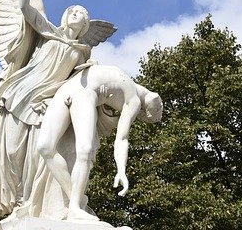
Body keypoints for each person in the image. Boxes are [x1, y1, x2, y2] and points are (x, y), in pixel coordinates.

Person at [0, 0, 116, 217]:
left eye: (84, 16)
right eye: (75, 12)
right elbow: (26, 8)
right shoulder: (47, 31)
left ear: (86, 27)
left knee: (38, 157)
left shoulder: (83, 52)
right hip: (20, 94)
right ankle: (13, 202)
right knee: (12, 153)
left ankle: (28, 205)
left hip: (45, 104)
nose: (80, 16)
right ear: (66, 17)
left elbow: (77, 83)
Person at [36, 65, 163, 221]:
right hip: (77, 91)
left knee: (79, 150)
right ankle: (76, 203)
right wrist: (121, 171)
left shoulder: (120, 73)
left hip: (73, 90)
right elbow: (122, 139)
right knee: (46, 147)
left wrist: (121, 170)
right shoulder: (134, 100)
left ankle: (75, 206)